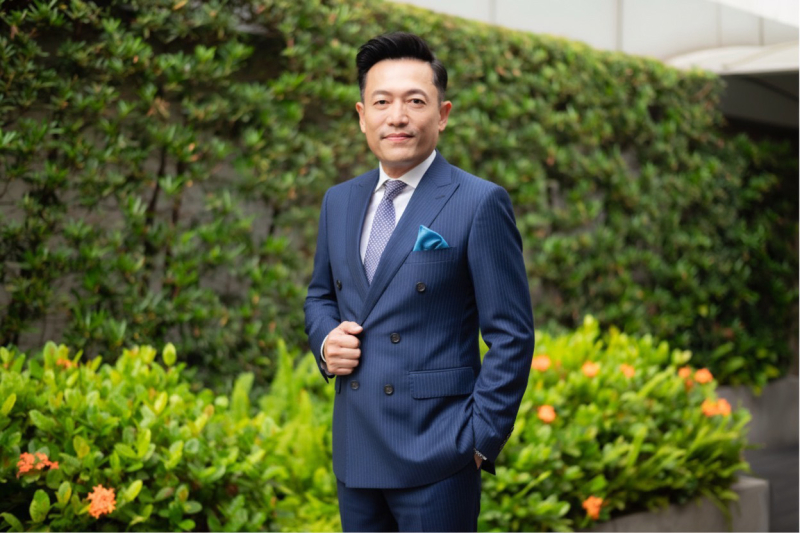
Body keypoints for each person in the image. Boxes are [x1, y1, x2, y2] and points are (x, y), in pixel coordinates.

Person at [304, 31, 534, 532]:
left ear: (442, 114)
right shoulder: (338, 201)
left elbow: (512, 335)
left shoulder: (479, 202)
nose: (397, 116)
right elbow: (320, 294)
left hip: (439, 456)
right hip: (356, 452)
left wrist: (479, 441)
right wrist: (325, 340)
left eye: (415, 101)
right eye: (381, 102)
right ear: (362, 115)